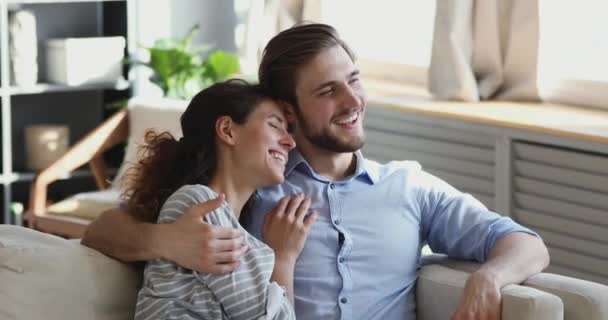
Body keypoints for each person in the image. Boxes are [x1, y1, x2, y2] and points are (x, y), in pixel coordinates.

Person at [83, 23, 549, 320]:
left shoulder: (409, 187)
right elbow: (103, 231)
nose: (353, 102)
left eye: (354, 79)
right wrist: (164, 241)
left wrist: (488, 279)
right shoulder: (255, 185)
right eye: (328, 90)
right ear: (289, 109)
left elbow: (527, 244)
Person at [123, 79, 316, 319]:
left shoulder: (222, 219)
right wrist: (284, 260)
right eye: (275, 126)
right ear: (227, 130)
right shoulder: (199, 205)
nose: (290, 142)